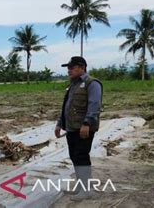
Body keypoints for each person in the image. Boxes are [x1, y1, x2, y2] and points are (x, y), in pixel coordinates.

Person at [54, 56, 102, 201]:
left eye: (71, 67)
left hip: (84, 129)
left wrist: (87, 123)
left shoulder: (92, 83)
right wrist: (59, 123)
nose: (69, 70)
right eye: (68, 68)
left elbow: (95, 105)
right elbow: (66, 107)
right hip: (71, 128)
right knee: (75, 157)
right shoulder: (73, 84)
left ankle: (86, 190)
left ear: (82, 67)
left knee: (81, 156)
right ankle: (83, 187)